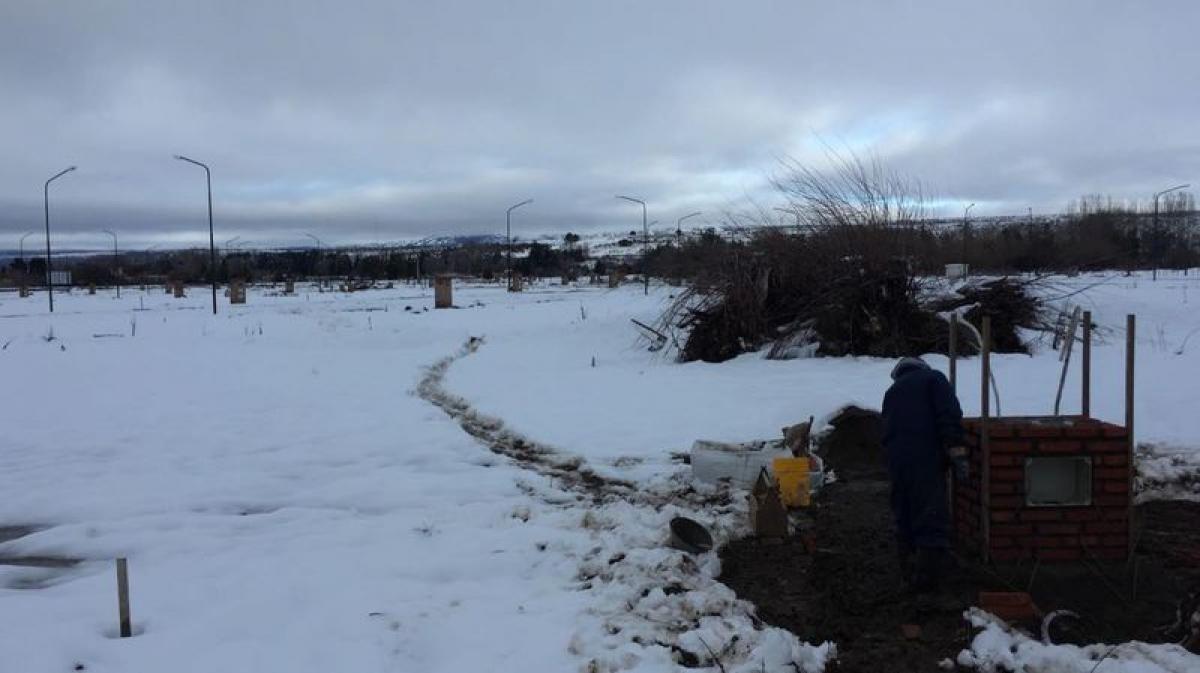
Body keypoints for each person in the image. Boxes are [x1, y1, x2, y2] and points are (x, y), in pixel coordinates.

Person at [881, 356, 966, 596]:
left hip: (897, 462)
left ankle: (907, 574)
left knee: (905, 512)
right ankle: (928, 586)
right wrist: (956, 450)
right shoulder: (933, 379)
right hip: (925, 457)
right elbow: (948, 414)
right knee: (930, 513)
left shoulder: (892, 391)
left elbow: (886, 430)